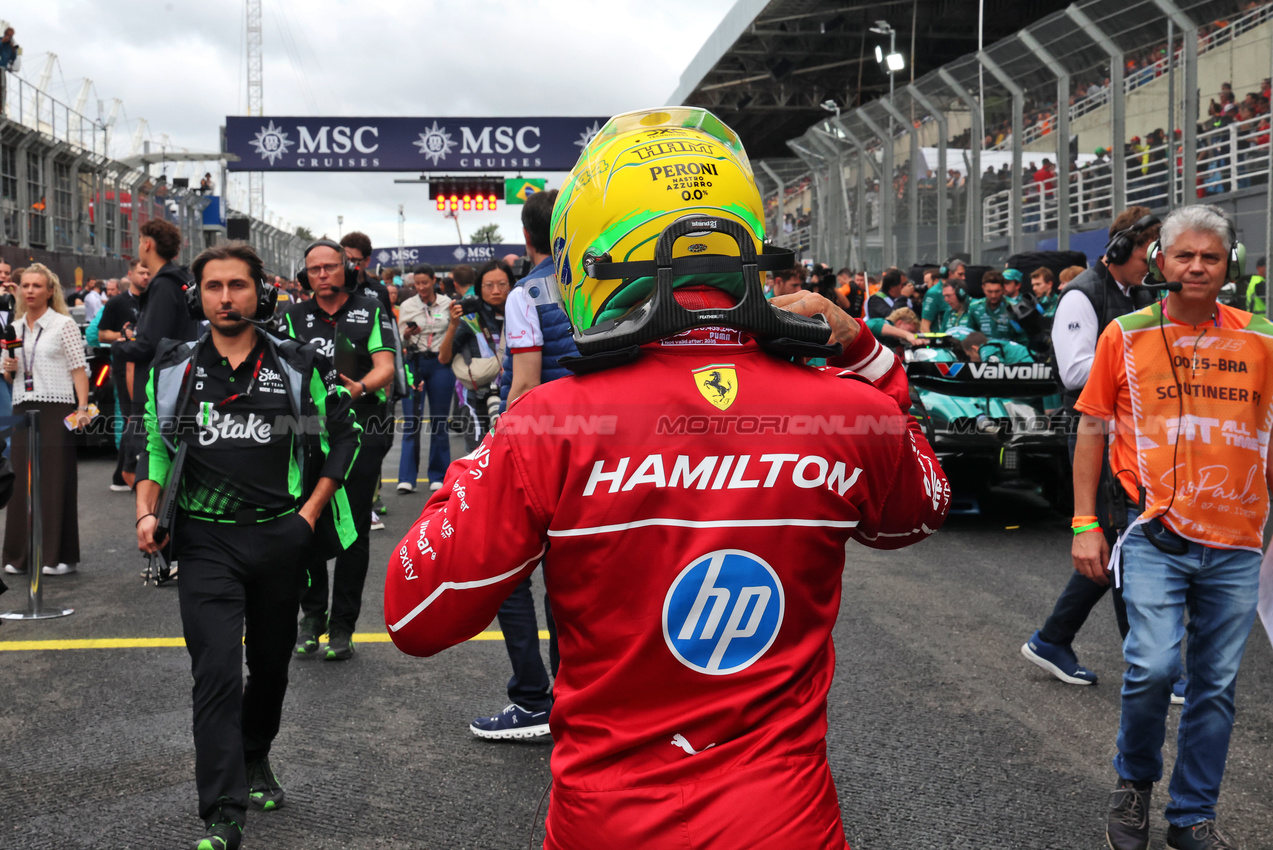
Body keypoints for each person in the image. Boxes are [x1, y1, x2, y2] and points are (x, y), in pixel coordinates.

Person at [384, 106, 950, 848]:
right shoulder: (849, 410)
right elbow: (919, 511)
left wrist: (467, 479)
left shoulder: (546, 425)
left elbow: (416, 616)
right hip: (786, 821)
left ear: (590, 256)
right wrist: (866, 358)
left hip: (608, 823)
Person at [136, 242, 359, 850]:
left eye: (238, 285)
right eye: (214, 287)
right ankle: (223, 812)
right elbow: (157, 449)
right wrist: (147, 512)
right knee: (213, 672)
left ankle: (256, 755)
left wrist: (309, 516)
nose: (226, 297)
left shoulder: (296, 362)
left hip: (280, 536)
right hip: (205, 541)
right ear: (197, 295)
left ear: (260, 291)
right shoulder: (174, 366)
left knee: (270, 667)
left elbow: (346, 435)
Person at [1073, 205, 1268, 850]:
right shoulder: (1123, 335)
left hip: (1238, 543)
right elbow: (1093, 427)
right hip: (1155, 535)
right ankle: (1134, 785)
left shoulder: (1262, 339)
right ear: (1160, 261)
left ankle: (1191, 816)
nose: (1197, 267)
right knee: (1153, 668)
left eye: (1210, 257)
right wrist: (1084, 522)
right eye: (1184, 255)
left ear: (1228, 266)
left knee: (1214, 687)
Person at [1022, 207, 1160, 687]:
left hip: (1134, 434)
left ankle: (1052, 639)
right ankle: (1149, 663)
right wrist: (1139, 362)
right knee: (1124, 538)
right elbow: (1076, 374)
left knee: (1116, 539)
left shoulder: (1142, 293)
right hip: (1093, 433)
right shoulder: (1080, 296)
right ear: (1121, 249)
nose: (1154, 262)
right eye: (1148, 251)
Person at [467, 188, 577, 741]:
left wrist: (499, 446)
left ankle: (534, 699)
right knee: (575, 578)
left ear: (527, 237)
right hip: (605, 448)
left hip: (542, 448)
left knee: (510, 576)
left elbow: (527, 382)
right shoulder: (606, 285)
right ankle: (577, 697)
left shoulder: (524, 294)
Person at [279, 239, 395, 662]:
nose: (323, 274)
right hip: (309, 435)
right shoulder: (291, 317)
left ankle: (343, 626)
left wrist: (359, 387)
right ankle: (312, 616)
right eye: (315, 269)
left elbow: (386, 366)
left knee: (353, 531)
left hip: (364, 428)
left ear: (346, 269)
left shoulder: (372, 309)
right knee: (305, 523)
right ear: (304, 275)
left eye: (330, 267)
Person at [1, 264, 90, 577]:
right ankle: (19, 555)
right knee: (21, 482)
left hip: (58, 406)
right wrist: (8, 366)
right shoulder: (14, 326)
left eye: (37, 286)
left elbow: (79, 369)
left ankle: (58, 556)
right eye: (25, 285)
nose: (30, 291)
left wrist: (82, 408)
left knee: (55, 480)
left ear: (50, 291)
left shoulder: (63, 324)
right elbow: (9, 373)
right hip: (23, 406)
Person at [117, 219, 199, 482]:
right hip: (178, 381)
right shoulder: (180, 280)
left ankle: (153, 520)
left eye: (140, 241)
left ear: (148, 244)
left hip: (158, 385)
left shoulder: (164, 284)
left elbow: (151, 344)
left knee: (140, 468)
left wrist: (120, 347)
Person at [396, 263, 453, 493]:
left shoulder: (447, 304)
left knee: (440, 421)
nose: (421, 287)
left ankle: (438, 475)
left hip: (440, 363)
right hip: (415, 363)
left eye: (425, 283)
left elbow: (454, 330)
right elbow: (398, 340)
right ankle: (407, 477)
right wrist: (407, 335)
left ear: (434, 282)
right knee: (411, 421)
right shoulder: (407, 305)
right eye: (417, 283)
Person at [439, 258, 508, 442]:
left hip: (513, 395)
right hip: (475, 399)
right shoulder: (470, 318)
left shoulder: (520, 313)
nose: (495, 290)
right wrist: (453, 325)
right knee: (478, 456)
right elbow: (444, 358)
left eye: (502, 284)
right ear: (479, 288)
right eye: (488, 285)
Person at [98, 259, 151, 491]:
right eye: (141, 272)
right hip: (125, 366)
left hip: (151, 365)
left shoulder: (155, 301)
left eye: (149, 272)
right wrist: (122, 334)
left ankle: (124, 475)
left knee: (143, 419)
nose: (146, 276)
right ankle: (126, 473)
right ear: (130, 274)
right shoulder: (117, 303)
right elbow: (101, 334)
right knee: (132, 417)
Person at [968, 271, 1025, 342]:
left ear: (1003, 289)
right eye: (989, 291)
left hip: (1009, 350)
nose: (993, 296)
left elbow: (1023, 338)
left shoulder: (1015, 307)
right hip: (984, 350)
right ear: (983, 288)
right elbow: (971, 336)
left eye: (997, 291)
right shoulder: (974, 307)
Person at [920, 259, 965, 333]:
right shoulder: (934, 293)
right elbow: (925, 326)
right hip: (940, 342)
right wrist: (929, 344)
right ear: (949, 274)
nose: (963, 278)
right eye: (960, 274)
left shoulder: (960, 291)